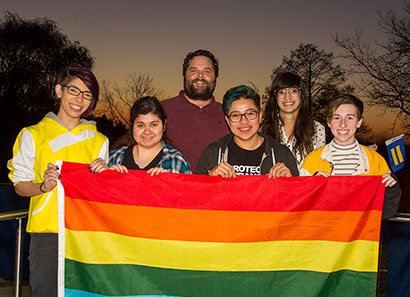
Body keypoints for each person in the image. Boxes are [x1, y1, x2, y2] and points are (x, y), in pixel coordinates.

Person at [7, 66, 109, 297]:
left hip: (85, 233)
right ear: (58, 91)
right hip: (47, 232)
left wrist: (104, 176)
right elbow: (20, 185)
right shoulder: (32, 134)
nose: (79, 99)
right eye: (74, 90)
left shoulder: (99, 140)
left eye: (87, 94)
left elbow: (99, 193)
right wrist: (42, 186)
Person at [301, 94, 401, 219]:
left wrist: (392, 190)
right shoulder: (313, 160)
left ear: (359, 123)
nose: (343, 124)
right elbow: (300, 209)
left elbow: (385, 212)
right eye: (337, 118)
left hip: (361, 236)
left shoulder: (375, 160)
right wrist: (311, 188)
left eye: (349, 118)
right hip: (324, 236)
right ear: (329, 122)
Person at [196, 85, 298, 178]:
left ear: (260, 116)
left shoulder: (282, 154)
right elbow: (196, 194)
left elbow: (298, 196)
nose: (244, 121)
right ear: (227, 120)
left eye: (250, 113)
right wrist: (209, 178)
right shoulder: (212, 153)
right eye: (235, 115)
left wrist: (290, 182)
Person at [161, 49, 229, 171]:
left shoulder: (229, 114)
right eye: (194, 71)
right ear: (184, 76)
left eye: (207, 71)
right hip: (170, 188)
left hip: (216, 188)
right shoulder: (161, 110)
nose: (200, 76)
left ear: (216, 78)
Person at [107, 96, 191, 174]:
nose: (147, 131)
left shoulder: (176, 161)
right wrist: (107, 177)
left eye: (154, 125)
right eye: (140, 125)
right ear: (132, 126)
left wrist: (168, 184)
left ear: (164, 125)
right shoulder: (115, 157)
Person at [261, 72, 326, 171]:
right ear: (275, 96)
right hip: (272, 185)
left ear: (301, 94)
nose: (287, 97)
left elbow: (318, 168)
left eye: (293, 91)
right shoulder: (262, 127)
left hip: (305, 185)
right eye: (281, 92)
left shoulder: (317, 129)